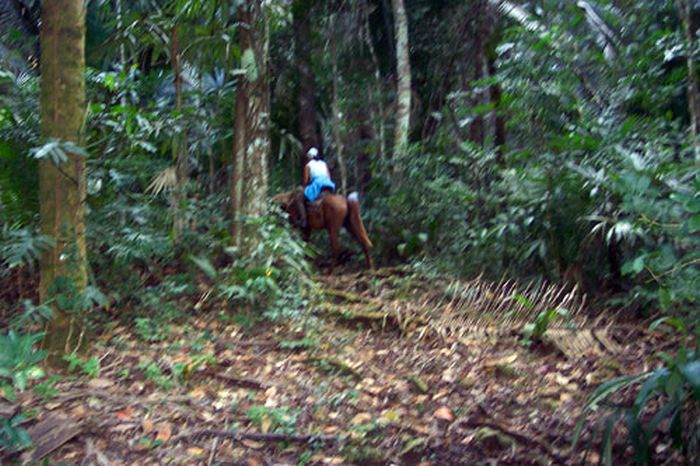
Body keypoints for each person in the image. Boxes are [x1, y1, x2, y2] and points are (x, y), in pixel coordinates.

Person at [293, 147, 335, 228]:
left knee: (298, 198)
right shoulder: (323, 164)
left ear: (309, 157)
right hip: (329, 185)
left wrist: (306, 187)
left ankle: (303, 220)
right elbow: (329, 177)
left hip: (318, 184)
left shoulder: (308, 165)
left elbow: (305, 181)